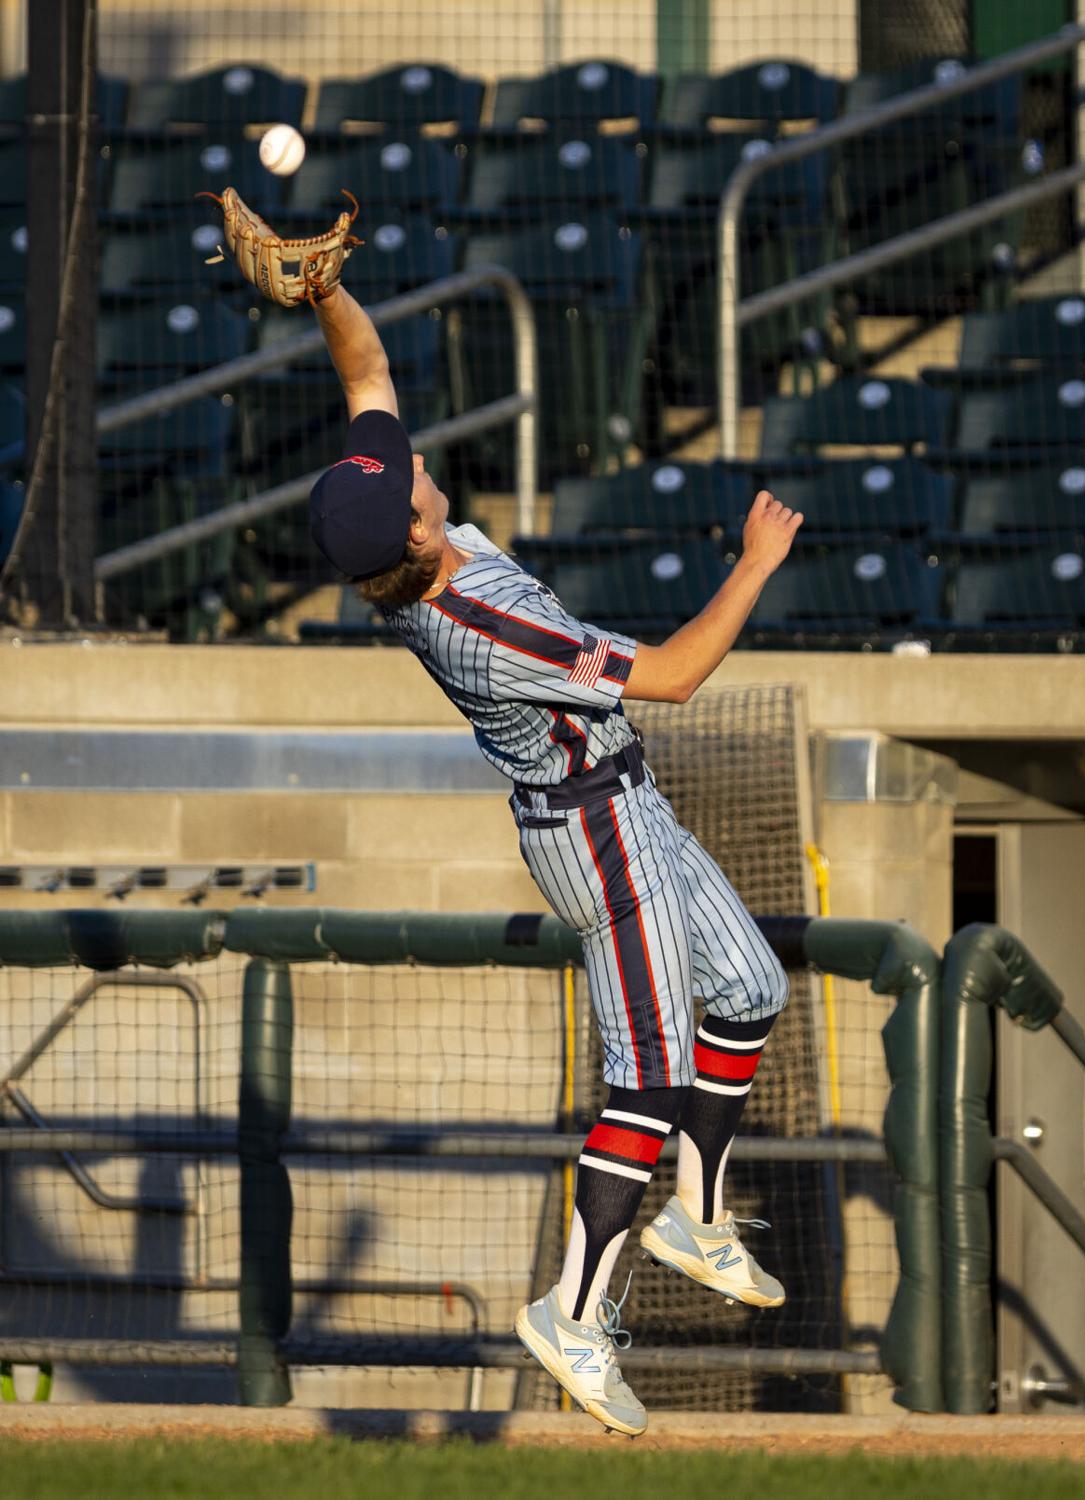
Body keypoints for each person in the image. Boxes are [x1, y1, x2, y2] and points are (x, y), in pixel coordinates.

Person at [307, 283, 804, 1437]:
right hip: (596, 832)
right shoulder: (482, 620)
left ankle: (697, 1216)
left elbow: (366, 377)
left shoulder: (396, 541)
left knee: (752, 989)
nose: (408, 460)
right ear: (420, 533)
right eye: (403, 479)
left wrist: (323, 288)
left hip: (624, 797)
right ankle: (571, 1315)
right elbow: (674, 677)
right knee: (646, 1087)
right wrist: (756, 565)